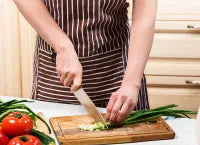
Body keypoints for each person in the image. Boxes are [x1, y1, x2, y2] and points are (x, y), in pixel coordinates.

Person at [13, 0, 158, 123]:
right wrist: (62, 48)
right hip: (55, 73)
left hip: (118, 70)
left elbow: (144, 17)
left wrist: (131, 83)